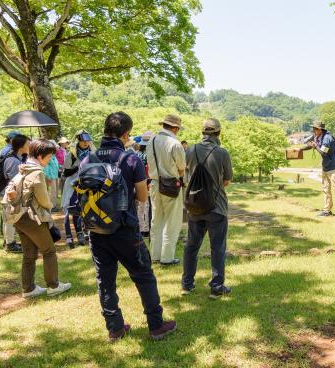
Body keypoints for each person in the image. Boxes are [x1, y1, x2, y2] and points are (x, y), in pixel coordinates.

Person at [81, 111, 176, 342]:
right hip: (125, 229)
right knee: (143, 276)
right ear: (126, 134)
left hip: (96, 229)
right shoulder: (130, 159)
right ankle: (156, 325)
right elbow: (143, 198)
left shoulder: (87, 159)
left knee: (105, 280)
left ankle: (114, 328)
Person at [9, 139, 72, 298]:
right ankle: (53, 286)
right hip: (32, 217)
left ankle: (28, 289)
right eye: (50, 156)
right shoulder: (37, 173)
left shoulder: (22, 169)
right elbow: (44, 201)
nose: (51, 159)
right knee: (49, 250)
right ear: (40, 155)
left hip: (18, 217)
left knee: (29, 254)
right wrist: (51, 205)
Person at [182, 118, 233, 299]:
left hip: (195, 206)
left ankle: (187, 284)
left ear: (202, 132)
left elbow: (186, 177)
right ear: (218, 133)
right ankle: (216, 286)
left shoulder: (190, 150)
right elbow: (226, 181)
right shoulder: (222, 153)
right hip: (216, 206)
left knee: (191, 246)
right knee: (217, 247)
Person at [146, 114, 186, 266]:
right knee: (172, 221)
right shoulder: (175, 143)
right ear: (175, 128)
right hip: (171, 185)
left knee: (156, 220)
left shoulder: (152, 140)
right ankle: (167, 258)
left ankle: (154, 255)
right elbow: (182, 168)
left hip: (155, 183)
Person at [301, 121, 335, 218]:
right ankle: (327, 211)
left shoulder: (327, 139)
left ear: (320, 129)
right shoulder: (318, 136)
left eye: (315, 129)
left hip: (334, 167)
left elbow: (323, 153)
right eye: (313, 128)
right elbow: (311, 145)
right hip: (325, 167)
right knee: (326, 189)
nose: (313, 130)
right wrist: (300, 149)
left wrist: (315, 146)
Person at [62, 130, 95, 248]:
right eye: (83, 141)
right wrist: (79, 166)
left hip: (86, 184)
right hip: (72, 184)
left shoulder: (92, 152)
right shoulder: (71, 153)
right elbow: (66, 172)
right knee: (71, 209)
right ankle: (74, 235)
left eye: (87, 141)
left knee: (86, 208)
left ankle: (85, 232)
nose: (85, 143)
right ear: (78, 141)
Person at [1, 134, 30, 253]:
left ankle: (9, 242)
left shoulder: (17, 157)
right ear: (21, 146)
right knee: (9, 219)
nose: (29, 146)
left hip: (12, 193)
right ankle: (10, 244)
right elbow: (13, 180)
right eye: (28, 144)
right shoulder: (13, 160)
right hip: (11, 194)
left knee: (9, 219)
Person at [136, 132, 153, 237]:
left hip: (138, 181)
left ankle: (141, 228)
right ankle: (146, 229)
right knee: (147, 206)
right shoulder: (149, 154)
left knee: (141, 206)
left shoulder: (137, 154)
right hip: (148, 181)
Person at [43, 141, 60, 212]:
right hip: (50, 177)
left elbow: (55, 165)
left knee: (55, 191)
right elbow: (46, 167)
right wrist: (48, 177)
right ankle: (51, 207)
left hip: (55, 176)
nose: (56, 148)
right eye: (55, 147)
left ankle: (54, 205)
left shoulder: (53, 156)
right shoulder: (47, 155)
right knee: (51, 192)